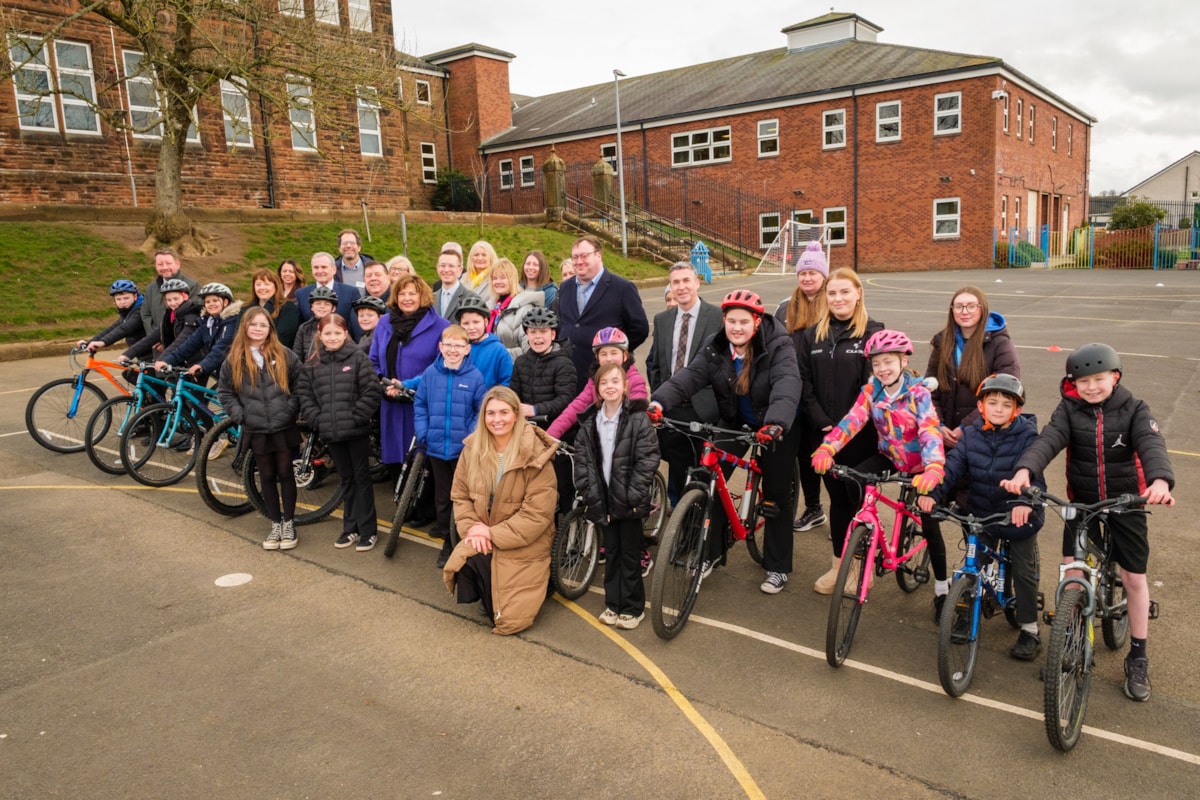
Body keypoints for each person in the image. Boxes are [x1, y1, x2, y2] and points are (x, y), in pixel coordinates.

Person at [1002, 343, 1175, 702]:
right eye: (1084, 381)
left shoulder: (1134, 409)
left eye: (1099, 379)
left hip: (1127, 501)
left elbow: (1151, 444)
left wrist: (1159, 481)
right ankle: (1068, 635)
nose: (1092, 387)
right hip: (1082, 501)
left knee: (1133, 577)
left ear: (1115, 377)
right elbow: (1048, 439)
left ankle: (1138, 656)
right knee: (1072, 571)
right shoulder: (1068, 409)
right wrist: (1024, 469)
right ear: (1073, 383)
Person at [649, 290, 802, 595]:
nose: (736, 328)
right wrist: (659, 403)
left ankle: (777, 565)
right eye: (731, 321)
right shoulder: (716, 346)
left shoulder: (778, 344)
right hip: (735, 421)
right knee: (709, 479)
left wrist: (775, 423)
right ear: (724, 321)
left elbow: (787, 384)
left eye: (744, 322)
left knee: (776, 495)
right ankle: (712, 552)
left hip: (774, 424)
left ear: (757, 322)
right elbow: (688, 377)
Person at [811, 329, 949, 621]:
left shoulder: (918, 393)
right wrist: (827, 449)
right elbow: (852, 421)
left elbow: (929, 431)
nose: (883, 369)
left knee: (929, 518)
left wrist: (934, 467)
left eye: (889, 361)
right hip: (889, 457)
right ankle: (865, 539)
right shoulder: (872, 390)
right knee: (853, 478)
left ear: (902, 361)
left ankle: (941, 587)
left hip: (920, 466)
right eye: (877, 364)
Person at [918, 373, 1046, 660]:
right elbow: (952, 467)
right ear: (981, 405)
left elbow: (1035, 476)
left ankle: (1030, 629)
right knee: (973, 565)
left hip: (1018, 515)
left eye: (1006, 404)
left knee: (1025, 571)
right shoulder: (972, 434)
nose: (998, 409)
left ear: (1017, 409)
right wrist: (933, 494)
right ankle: (966, 613)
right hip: (983, 514)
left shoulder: (1027, 435)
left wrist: (1026, 502)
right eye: (992, 402)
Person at [443, 386, 559, 636]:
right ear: (483, 417)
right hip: (482, 530)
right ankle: (489, 593)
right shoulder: (472, 450)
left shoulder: (535, 455)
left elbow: (536, 516)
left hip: (524, 537)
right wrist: (474, 529)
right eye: (491, 413)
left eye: (504, 412)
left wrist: (492, 533)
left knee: (509, 620)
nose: (497, 419)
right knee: (467, 561)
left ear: (517, 415)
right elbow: (460, 495)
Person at [797, 268, 884, 595]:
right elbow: (804, 383)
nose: (838, 299)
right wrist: (823, 421)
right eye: (832, 293)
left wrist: (846, 427)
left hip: (861, 438)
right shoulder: (812, 336)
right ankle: (838, 566)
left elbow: (871, 388)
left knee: (857, 501)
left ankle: (860, 569)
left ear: (858, 293)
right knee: (837, 501)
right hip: (823, 435)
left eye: (845, 292)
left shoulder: (872, 333)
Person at [574, 363, 661, 630]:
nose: (609, 386)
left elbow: (648, 459)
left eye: (615, 381)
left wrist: (633, 494)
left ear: (625, 387)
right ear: (597, 389)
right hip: (604, 502)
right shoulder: (590, 422)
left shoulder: (638, 420)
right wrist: (589, 492)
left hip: (630, 503)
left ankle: (633, 608)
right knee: (610, 553)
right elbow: (582, 461)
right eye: (604, 383)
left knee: (630, 555)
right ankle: (613, 604)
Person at [297, 314, 383, 552]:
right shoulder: (312, 363)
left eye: (337, 333)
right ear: (320, 335)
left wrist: (355, 417)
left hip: (355, 432)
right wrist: (318, 420)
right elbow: (305, 396)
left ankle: (368, 530)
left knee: (361, 480)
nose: (332, 337)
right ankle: (350, 528)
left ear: (345, 334)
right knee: (346, 480)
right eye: (327, 333)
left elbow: (371, 392)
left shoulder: (358, 358)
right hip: (331, 432)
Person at [218, 307, 302, 550]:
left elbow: (300, 383)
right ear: (245, 327)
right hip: (255, 428)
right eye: (253, 324)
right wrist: (240, 415)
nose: (258, 329)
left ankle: (289, 523)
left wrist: (290, 411)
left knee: (286, 473)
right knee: (265, 475)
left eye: (263, 325)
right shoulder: (234, 358)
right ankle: (275, 523)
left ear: (270, 329)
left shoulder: (284, 354)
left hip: (283, 426)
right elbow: (225, 392)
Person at [645, 261, 723, 505]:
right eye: (676, 282)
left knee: (704, 472)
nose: (681, 287)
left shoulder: (718, 316)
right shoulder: (662, 319)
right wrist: (661, 395)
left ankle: (703, 520)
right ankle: (680, 523)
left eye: (686, 280)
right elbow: (656, 363)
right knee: (678, 471)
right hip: (673, 409)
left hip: (705, 408)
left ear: (697, 283)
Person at [413, 324, 487, 566]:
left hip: (463, 450)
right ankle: (447, 542)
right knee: (443, 497)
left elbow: (480, 411)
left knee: (465, 498)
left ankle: (465, 540)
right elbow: (420, 404)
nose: (453, 350)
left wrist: (470, 437)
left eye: (459, 346)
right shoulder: (430, 374)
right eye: (449, 346)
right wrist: (423, 431)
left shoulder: (475, 377)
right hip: (436, 448)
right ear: (441, 347)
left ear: (467, 349)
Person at [369, 273, 448, 470]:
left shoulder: (441, 326)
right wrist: (383, 382)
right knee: (395, 462)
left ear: (423, 296)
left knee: (421, 463)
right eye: (402, 294)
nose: (407, 298)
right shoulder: (384, 323)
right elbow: (373, 360)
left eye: (412, 293)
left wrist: (407, 386)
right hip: (390, 401)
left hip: (421, 403)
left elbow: (441, 366)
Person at [926, 286, 1020, 450]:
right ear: (952, 310)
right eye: (959, 306)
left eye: (971, 306)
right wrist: (938, 424)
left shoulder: (1000, 344)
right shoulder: (942, 342)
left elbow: (1006, 391)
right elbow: (930, 389)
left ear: (982, 309)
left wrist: (965, 427)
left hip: (983, 435)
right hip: (945, 434)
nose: (964, 311)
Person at [778, 240, 830, 533]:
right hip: (794, 395)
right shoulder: (786, 307)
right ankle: (814, 508)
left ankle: (847, 518)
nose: (808, 278)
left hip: (822, 395)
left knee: (828, 457)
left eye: (813, 273)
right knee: (803, 457)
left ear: (823, 275)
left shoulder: (832, 304)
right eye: (803, 273)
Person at [558, 235, 650, 392]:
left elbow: (640, 329)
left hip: (606, 377)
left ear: (598, 255)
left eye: (584, 256)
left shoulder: (622, 288)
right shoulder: (565, 288)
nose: (578, 261)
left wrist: (614, 352)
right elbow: (563, 324)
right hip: (569, 375)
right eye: (575, 257)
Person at [155, 282, 242, 385]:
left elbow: (222, 347)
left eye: (215, 300)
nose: (211, 304)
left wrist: (203, 365)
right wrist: (167, 360)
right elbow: (189, 345)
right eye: (207, 301)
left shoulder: (232, 322)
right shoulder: (208, 323)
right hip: (222, 369)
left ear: (226, 302)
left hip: (239, 371)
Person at [509, 307, 577, 430]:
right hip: (524, 427)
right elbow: (514, 394)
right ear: (527, 334)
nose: (537, 337)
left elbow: (565, 399)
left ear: (553, 334)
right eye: (533, 332)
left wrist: (535, 410)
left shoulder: (564, 363)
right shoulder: (520, 362)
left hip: (554, 429)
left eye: (543, 331)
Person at [119, 278, 200, 367]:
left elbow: (182, 340)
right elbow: (153, 336)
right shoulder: (171, 315)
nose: (172, 303)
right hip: (179, 360)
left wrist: (163, 358)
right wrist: (128, 354)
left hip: (196, 361)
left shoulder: (192, 314)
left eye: (176, 299)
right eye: (169, 300)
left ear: (185, 297)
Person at [489, 257, 544, 358]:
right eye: (494, 278)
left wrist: (498, 355)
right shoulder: (492, 308)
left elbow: (530, 350)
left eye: (502, 277)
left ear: (512, 279)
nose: (497, 281)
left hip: (514, 369)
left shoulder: (526, 309)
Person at [453, 294, 512, 388]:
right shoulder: (454, 347)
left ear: (486, 322)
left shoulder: (498, 350)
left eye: (476, 322)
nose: (471, 328)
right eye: (466, 323)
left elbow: (506, 384)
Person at [295, 252, 360, 336]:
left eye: (324, 267)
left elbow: (355, 326)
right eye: (316, 267)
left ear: (334, 269)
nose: (319, 271)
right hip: (311, 346)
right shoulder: (301, 294)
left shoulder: (351, 292)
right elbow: (299, 327)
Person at [77, 279, 148, 353]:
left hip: (153, 356)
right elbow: (112, 329)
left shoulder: (142, 310)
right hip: (142, 355)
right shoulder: (128, 312)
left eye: (126, 298)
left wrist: (103, 342)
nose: (122, 302)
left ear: (135, 296)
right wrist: (89, 343)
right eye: (118, 299)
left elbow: (125, 329)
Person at [140, 248, 200, 334]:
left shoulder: (192, 286)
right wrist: (154, 338)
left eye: (168, 263)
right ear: (155, 266)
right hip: (154, 342)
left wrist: (168, 339)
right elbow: (146, 315)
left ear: (178, 264)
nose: (165, 267)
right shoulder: (150, 288)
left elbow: (194, 314)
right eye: (160, 264)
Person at [242, 268, 300, 350]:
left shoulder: (287, 308)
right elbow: (239, 334)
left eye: (267, 284)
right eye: (258, 284)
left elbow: (283, 338)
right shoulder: (245, 308)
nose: (262, 288)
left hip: (274, 353)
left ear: (276, 286)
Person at [431, 247, 479, 320]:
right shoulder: (431, 299)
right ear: (437, 268)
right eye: (443, 265)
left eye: (451, 266)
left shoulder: (471, 298)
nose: (446, 270)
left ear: (460, 270)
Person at [292, 285, 337, 361]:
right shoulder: (304, 328)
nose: (322, 307)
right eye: (318, 303)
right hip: (307, 370)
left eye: (327, 304)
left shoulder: (339, 327)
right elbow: (297, 356)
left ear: (333, 308)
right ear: (311, 307)